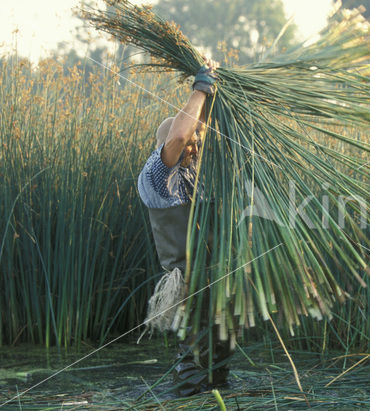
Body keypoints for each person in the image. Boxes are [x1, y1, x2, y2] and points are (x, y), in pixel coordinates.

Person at [137, 58, 232, 396]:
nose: (193, 146)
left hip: (213, 276)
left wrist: (214, 94)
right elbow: (180, 134)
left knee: (220, 351)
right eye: (188, 143)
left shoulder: (191, 169)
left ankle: (215, 395)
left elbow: (194, 131)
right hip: (188, 281)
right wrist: (200, 86)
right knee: (194, 352)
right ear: (164, 146)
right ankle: (188, 399)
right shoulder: (157, 175)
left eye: (196, 142)